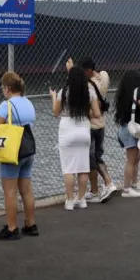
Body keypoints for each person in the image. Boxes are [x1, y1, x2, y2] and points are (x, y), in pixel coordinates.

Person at [0, 71, 38, 240]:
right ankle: (30, 224)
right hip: (28, 149)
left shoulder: (6, 105)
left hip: (12, 151)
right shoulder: (29, 103)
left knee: (10, 192)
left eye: (3, 87)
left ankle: (11, 228)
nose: (3, 90)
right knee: (26, 190)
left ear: (8, 88)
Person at [51, 65, 100, 210]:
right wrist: (84, 112)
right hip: (84, 129)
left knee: (68, 168)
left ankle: (70, 200)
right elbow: (97, 113)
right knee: (83, 167)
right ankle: (82, 199)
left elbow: (56, 112)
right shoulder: (89, 92)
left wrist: (53, 97)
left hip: (67, 129)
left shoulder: (63, 92)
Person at [73, 56, 116, 202]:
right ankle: (98, 188)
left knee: (91, 158)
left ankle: (104, 185)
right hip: (101, 124)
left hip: (90, 124)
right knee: (97, 155)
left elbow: (91, 108)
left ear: (88, 71)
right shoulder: (104, 76)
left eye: (83, 71)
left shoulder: (88, 86)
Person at [113, 70, 140, 198]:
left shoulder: (123, 94)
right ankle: (127, 188)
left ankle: (134, 184)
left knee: (136, 156)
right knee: (131, 159)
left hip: (126, 128)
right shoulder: (138, 91)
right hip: (132, 130)